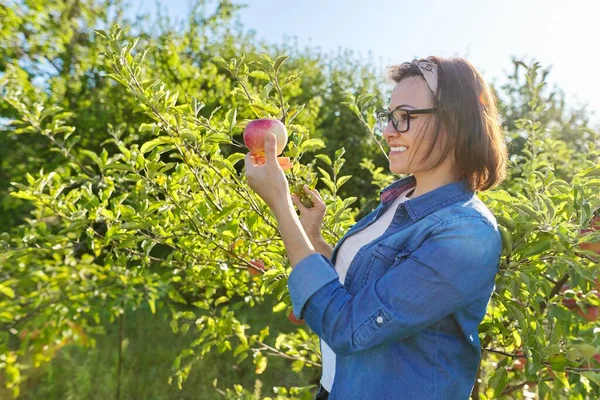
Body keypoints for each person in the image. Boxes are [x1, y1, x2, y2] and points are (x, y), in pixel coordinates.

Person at [244, 56, 508, 400]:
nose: (387, 131)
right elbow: (356, 290)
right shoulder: (400, 200)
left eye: (405, 117)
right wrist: (313, 237)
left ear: (455, 122)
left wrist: (280, 205)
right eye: (389, 116)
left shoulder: (467, 233)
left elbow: (350, 327)